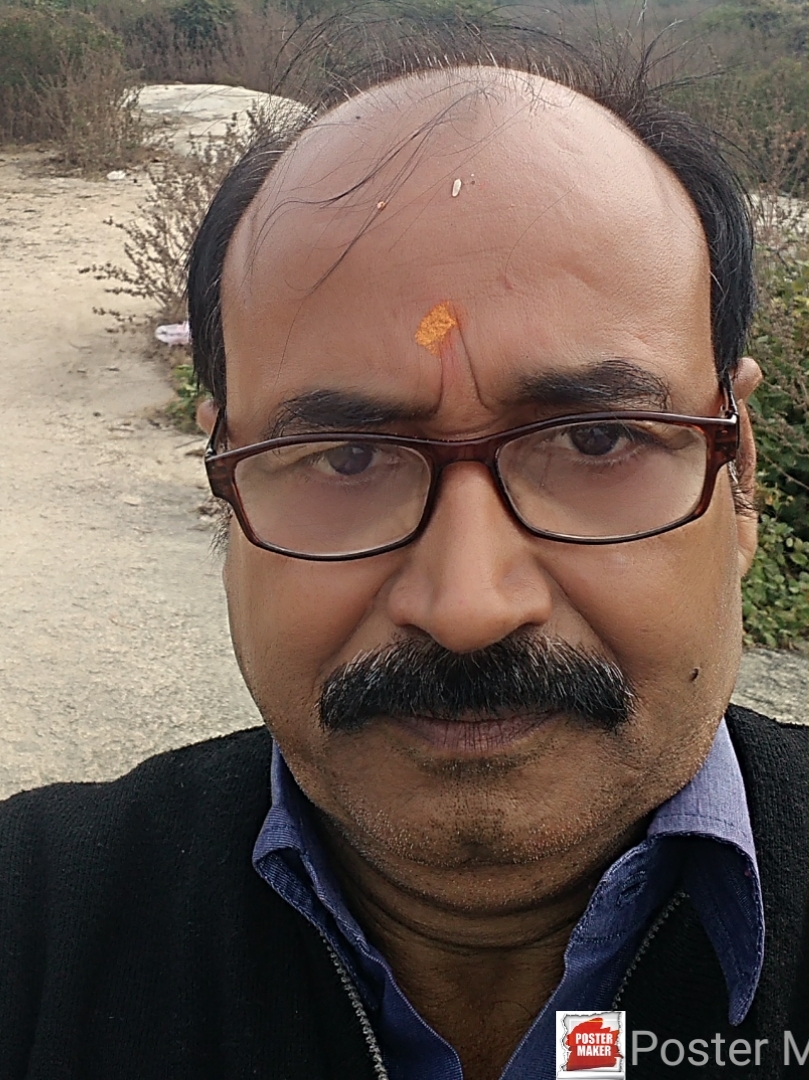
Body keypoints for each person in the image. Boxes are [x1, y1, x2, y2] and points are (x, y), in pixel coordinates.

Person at [1, 51, 806, 1080]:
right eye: (345, 458)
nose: (467, 605)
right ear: (225, 486)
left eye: (597, 440)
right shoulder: (30, 929)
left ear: (738, 478)